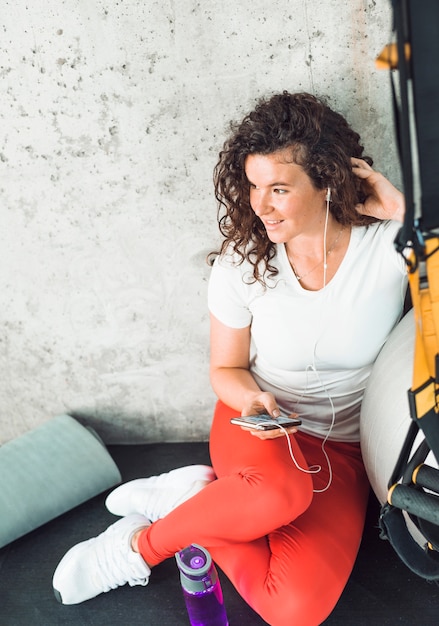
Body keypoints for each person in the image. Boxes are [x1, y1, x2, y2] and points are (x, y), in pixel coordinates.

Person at [52, 92, 407, 625]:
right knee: (281, 492)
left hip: (346, 451)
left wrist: (406, 212)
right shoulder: (242, 264)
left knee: (296, 612)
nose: (259, 205)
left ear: (328, 180)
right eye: (254, 185)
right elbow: (226, 369)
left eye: (280, 189)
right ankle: (133, 550)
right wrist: (254, 400)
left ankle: (190, 502)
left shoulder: (389, 246)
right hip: (259, 429)